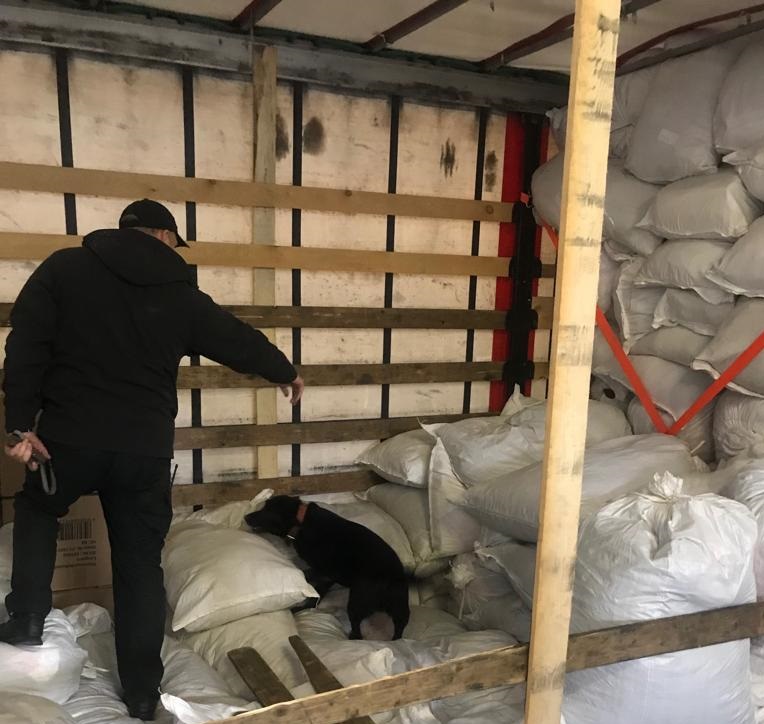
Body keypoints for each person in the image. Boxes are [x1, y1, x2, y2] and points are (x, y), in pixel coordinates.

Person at [0, 199, 303, 720]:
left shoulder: (64, 269)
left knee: (39, 508)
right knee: (139, 561)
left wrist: (20, 423)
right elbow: (234, 339)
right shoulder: (180, 293)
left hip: (69, 439)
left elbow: (26, 345)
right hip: (143, 450)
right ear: (164, 236)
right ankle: (142, 690)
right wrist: (284, 370)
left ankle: (28, 616)